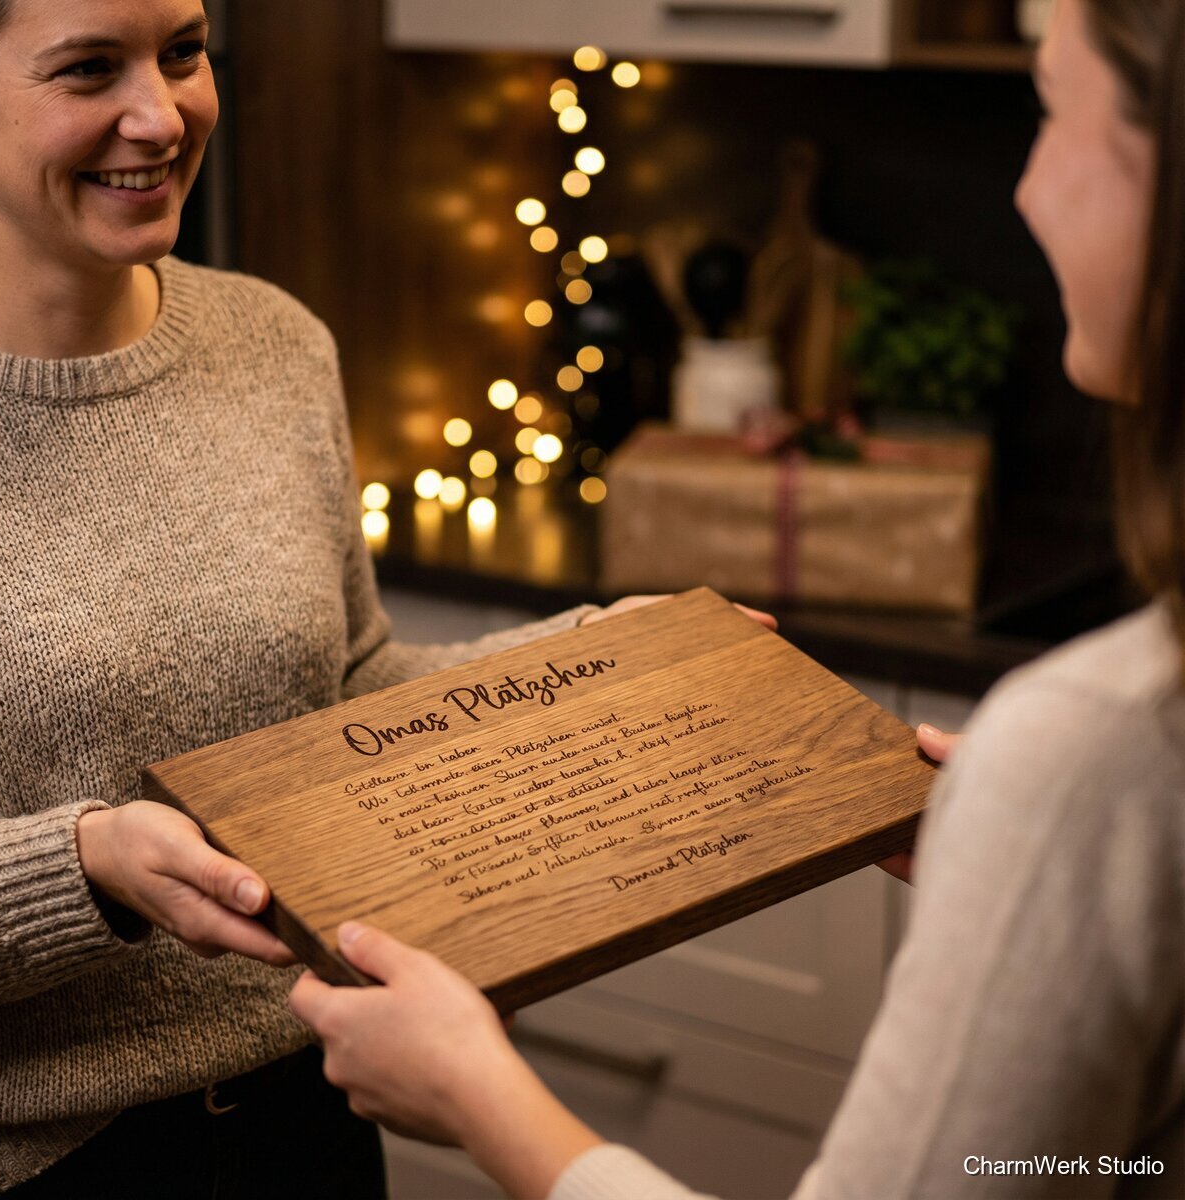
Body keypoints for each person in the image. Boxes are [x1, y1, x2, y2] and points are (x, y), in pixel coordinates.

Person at [290, 1, 1185, 1196]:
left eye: (1054, 111)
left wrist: (478, 1093)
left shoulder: (1099, 741)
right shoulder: (1102, 765)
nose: (1025, 191)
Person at [0, 1, 772, 1195]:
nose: (162, 114)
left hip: (313, 1107)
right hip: (46, 1163)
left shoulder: (275, 343)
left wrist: (594, 659)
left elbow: (345, 693)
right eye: (89, 69)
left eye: (185, 53)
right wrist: (84, 862)